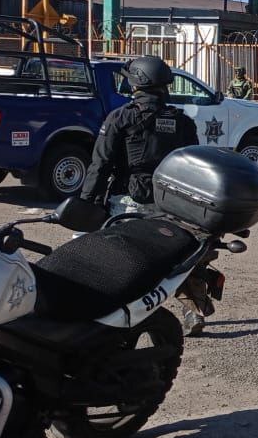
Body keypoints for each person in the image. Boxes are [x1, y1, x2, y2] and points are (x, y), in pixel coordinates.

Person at [80, 56, 207, 335]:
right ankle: (193, 309)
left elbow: (99, 165)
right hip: (170, 203)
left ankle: (118, 312)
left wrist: (84, 203)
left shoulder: (120, 117)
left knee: (119, 257)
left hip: (128, 202)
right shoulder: (182, 122)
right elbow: (193, 167)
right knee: (179, 256)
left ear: (137, 82)